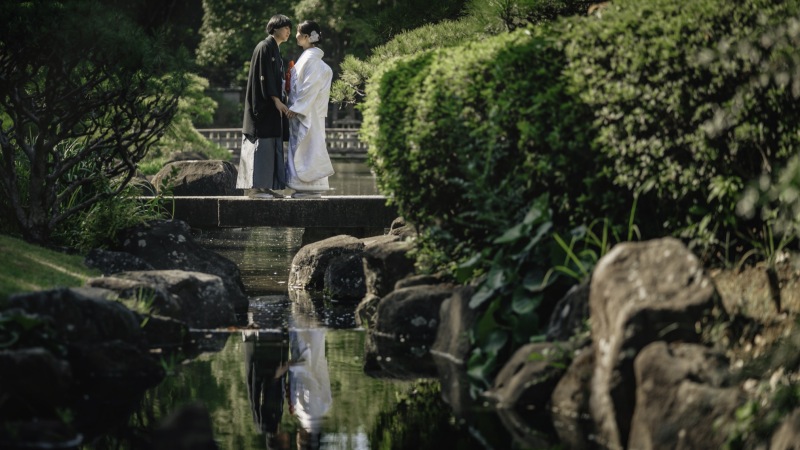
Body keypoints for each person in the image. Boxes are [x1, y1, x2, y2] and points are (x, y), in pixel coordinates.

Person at [237, 14, 293, 199]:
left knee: (271, 146)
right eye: (285, 27)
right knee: (261, 145)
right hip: (262, 107)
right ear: (274, 28)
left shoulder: (275, 49)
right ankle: (255, 188)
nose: (288, 31)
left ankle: (266, 186)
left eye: (290, 28)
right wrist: (276, 99)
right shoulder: (264, 47)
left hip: (272, 108)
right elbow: (264, 76)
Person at [285, 20, 334, 199]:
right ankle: (306, 186)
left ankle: (308, 186)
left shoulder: (311, 60)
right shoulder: (309, 58)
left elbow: (309, 86)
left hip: (307, 112)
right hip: (307, 111)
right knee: (308, 147)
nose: (296, 36)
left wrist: (298, 107)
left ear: (306, 36)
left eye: (298, 32)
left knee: (308, 146)